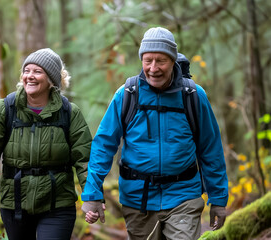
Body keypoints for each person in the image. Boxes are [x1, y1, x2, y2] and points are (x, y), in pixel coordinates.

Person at [81, 27, 228, 239]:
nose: (153, 68)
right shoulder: (128, 95)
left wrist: (219, 199)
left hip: (183, 196)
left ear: (173, 61)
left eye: (161, 61)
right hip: (137, 200)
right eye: (148, 60)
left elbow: (210, 148)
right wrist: (92, 194)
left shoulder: (193, 95)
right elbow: (103, 146)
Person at [0, 48, 92, 240]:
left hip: (57, 204)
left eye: (37, 71)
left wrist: (92, 196)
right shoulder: (5, 109)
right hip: (15, 203)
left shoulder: (68, 112)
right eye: (26, 71)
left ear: (52, 79)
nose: (29, 76)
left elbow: (85, 161)